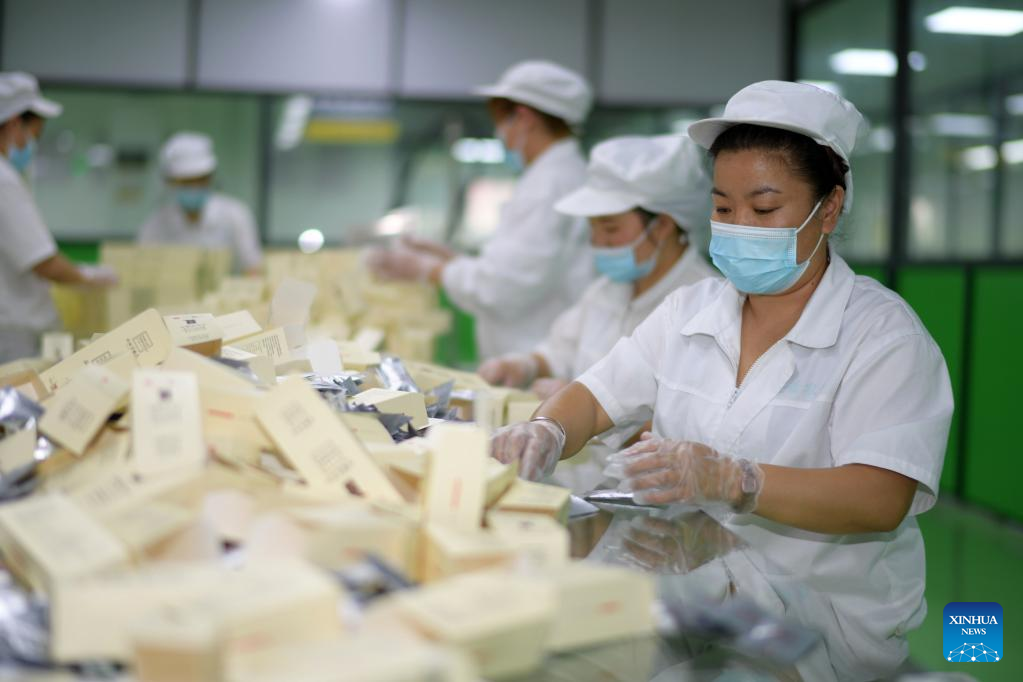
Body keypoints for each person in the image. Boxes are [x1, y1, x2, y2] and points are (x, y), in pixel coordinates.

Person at [491, 81, 953, 677]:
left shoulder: (882, 335)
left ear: (829, 207)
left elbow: (880, 498)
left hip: (817, 618)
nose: (739, 226)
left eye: (764, 209)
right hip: (698, 575)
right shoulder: (691, 311)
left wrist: (736, 480)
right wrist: (548, 430)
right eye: (724, 209)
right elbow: (597, 395)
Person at [366, 61, 594, 359]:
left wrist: (426, 269)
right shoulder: (557, 176)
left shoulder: (550, 184)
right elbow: (515, 269)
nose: (500, 133)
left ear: (524, 118)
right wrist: (448, 258)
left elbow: (502, 287)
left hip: (532, 355)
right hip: (529, 349)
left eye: (501, 121)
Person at [478, 134, 718, 403]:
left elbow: (688, 416)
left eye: (610, 229)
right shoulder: (605, 291)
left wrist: (587, 408)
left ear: (662, 225)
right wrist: (525, 366)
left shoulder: (704, 307)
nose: (597, 241)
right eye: (592, 228)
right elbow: (561, 351)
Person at [0, 73, 117, 363]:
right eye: (34, 135)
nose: (32, 144)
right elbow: (43, 261)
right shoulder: (4, 180)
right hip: (14, 335)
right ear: (14, 124)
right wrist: (88, 277)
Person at [138, 132, 262, 275]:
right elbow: (142, 269)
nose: (194, 187)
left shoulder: (235, 215)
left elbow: (253, 267)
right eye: (186, 181)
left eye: (200, 180)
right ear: (171, 182)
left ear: (211, 178)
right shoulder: (156, 224)